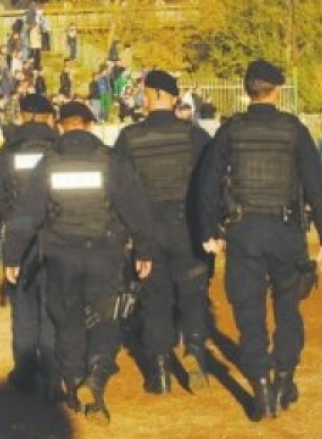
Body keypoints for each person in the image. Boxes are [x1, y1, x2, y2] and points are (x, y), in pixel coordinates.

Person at [197, 60, 322, 421]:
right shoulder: (293, 129)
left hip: (243, 234)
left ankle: (260, 386)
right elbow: (316, 184)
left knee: (249, 314)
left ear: (247, 91)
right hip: (287, 232)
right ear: (275, 91)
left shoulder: (230, 130)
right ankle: (284, 378)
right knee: (288, 308)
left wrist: (209, 232)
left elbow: (207, 185)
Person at [3, 102, 155, 424]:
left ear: (61, 126)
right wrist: (144, 250)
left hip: (60, 255)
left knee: (68, 318)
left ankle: (71, 380)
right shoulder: (111, 161)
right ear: (89, 125)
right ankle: (96, 379)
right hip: (105, 252)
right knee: (105, 319)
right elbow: (137, 210)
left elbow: (26, 214)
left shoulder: (49, 163)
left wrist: (13, 256)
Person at [114, 70, 213, 394]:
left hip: (148, 230)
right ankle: (194, 352)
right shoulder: (194, 136)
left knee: (154, 299)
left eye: (145, 92)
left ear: (156, 94)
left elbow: (118, 190)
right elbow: (210, 185)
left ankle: (158, 372)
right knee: (194, 296)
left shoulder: (129, 138)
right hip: (188, 228)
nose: (142, 97)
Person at [0, 94, 61, 400]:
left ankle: (24, 374)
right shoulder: (60, 149)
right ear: (50, 116)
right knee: (53, 307)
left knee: (23, 309)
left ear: (23, 115)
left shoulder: (7, 154)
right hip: (58, 239)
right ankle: (53, 372)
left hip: (18, 242)